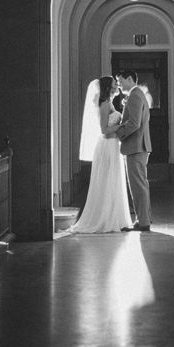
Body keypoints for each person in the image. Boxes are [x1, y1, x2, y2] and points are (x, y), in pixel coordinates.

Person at [70, 76, 133, 233]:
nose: (116, 86)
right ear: (107, 87)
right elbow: (104, 130)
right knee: (107, 181)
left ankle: (115, 217)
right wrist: (122, 126)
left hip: (112, 145)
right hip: (107, 145)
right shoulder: (104, 104)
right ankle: (104, 218)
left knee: (113, 181)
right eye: (113, 84)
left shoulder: (109, 103)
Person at [115, 69, 153, 231]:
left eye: (121, 81)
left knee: (138, 186)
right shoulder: (137, 94)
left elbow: (134, 123)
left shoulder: (135, 95)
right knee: (140, 184)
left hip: (136, 146)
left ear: (130, 78)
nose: (119, 85)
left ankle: (143, 222)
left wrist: (119, 134)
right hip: (137, 146)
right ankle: (143, 219)